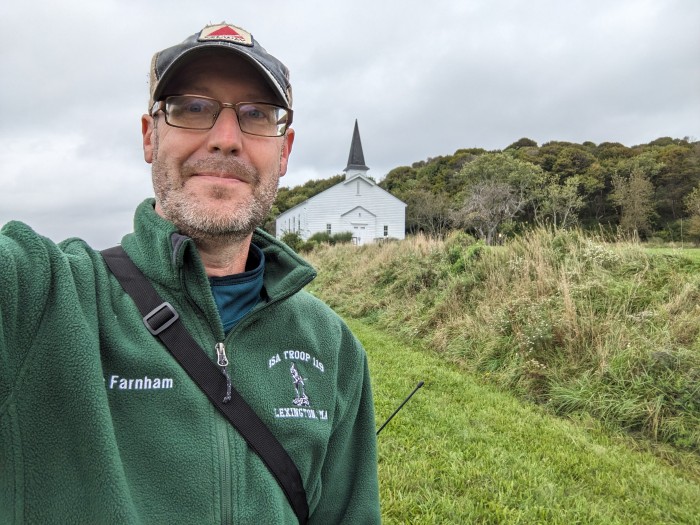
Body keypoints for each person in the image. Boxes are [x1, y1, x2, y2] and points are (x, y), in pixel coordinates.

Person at [0, 22, 381, 524]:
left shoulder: (333, 347)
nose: (226, 140)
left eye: (257, 115)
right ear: (149, 137)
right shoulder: (43, 299)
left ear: (284, 152)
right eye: (192, 108)